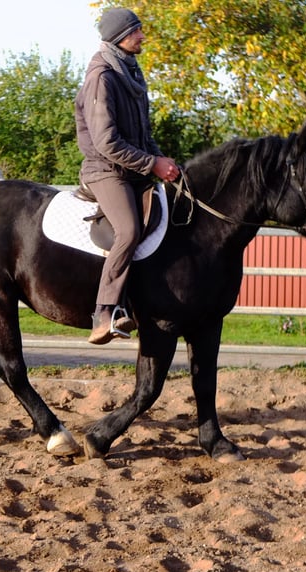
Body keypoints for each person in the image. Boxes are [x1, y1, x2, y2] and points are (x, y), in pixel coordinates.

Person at [75, 7, 180, 345]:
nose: (142, 36)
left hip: (132, 168)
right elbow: (107, 143)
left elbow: (143, 134)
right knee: (129, 229)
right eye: (136, 31)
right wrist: (151, 164)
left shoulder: (131, 73)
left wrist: (162, 160)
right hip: (105, 170)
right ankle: (104, 313)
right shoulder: (102, 77)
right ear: (120, 36)